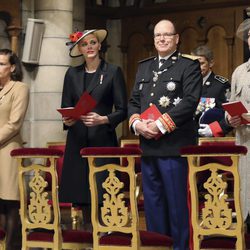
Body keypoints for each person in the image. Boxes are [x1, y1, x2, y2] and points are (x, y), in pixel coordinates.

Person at [128, 19, 202, 249]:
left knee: (177, 205)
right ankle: (157, 246)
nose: (161, 39)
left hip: (174, 146)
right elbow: (133, 102)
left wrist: (160, 125)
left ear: (176, 38)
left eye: (167, 35)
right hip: (148, 147)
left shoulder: (188, 65)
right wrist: (137, 123)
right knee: (153, 204)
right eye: (158, 35)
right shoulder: (145, 66)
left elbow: (190, 101)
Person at [59, 29, 127, 230]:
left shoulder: (113, 71)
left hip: (102, 140)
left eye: (93, 43)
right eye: (84, 44)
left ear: (99, 45)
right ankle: (87, 235)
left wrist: (104, 119)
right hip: (78, 140)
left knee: (103, 191)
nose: (89, 47)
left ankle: (106, 235)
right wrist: (68, 121)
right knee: (82, 194)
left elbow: (123, 110)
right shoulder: (71, 74)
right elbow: (66, 107)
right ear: (79, 49)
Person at [0, 49, 30, 250]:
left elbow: (14, 123)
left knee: (10, 201)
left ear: (12, 68)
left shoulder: (20, 88)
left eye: (2, 64)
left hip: (8, 149)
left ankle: (12, 246)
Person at [226, 18, 250, 230]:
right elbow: (233, 103)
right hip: (245, 145)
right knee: (245, 195)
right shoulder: (239, 72)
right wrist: (230, 118)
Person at [191, 45, 231, 137]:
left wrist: (214, 129)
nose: (197, 67)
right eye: (194, 63)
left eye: (201, 63)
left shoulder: (221, 85)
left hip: (209, 139)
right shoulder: (187, 84)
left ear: (211, 63)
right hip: (187, 137)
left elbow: (229, 115)